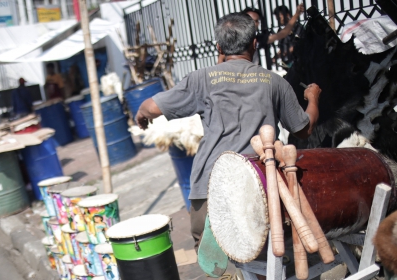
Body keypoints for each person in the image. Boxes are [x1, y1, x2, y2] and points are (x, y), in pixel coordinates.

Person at [135, 12, 321, 251]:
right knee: (261, 252)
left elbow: (150, 107)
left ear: (219, 47)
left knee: (217, 252)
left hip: (211, 188)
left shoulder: (201, 78)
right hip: (260, 186)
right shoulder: (275, 82)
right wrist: (313, 98)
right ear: (254, 44)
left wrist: (141, 115)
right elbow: (304, 129)